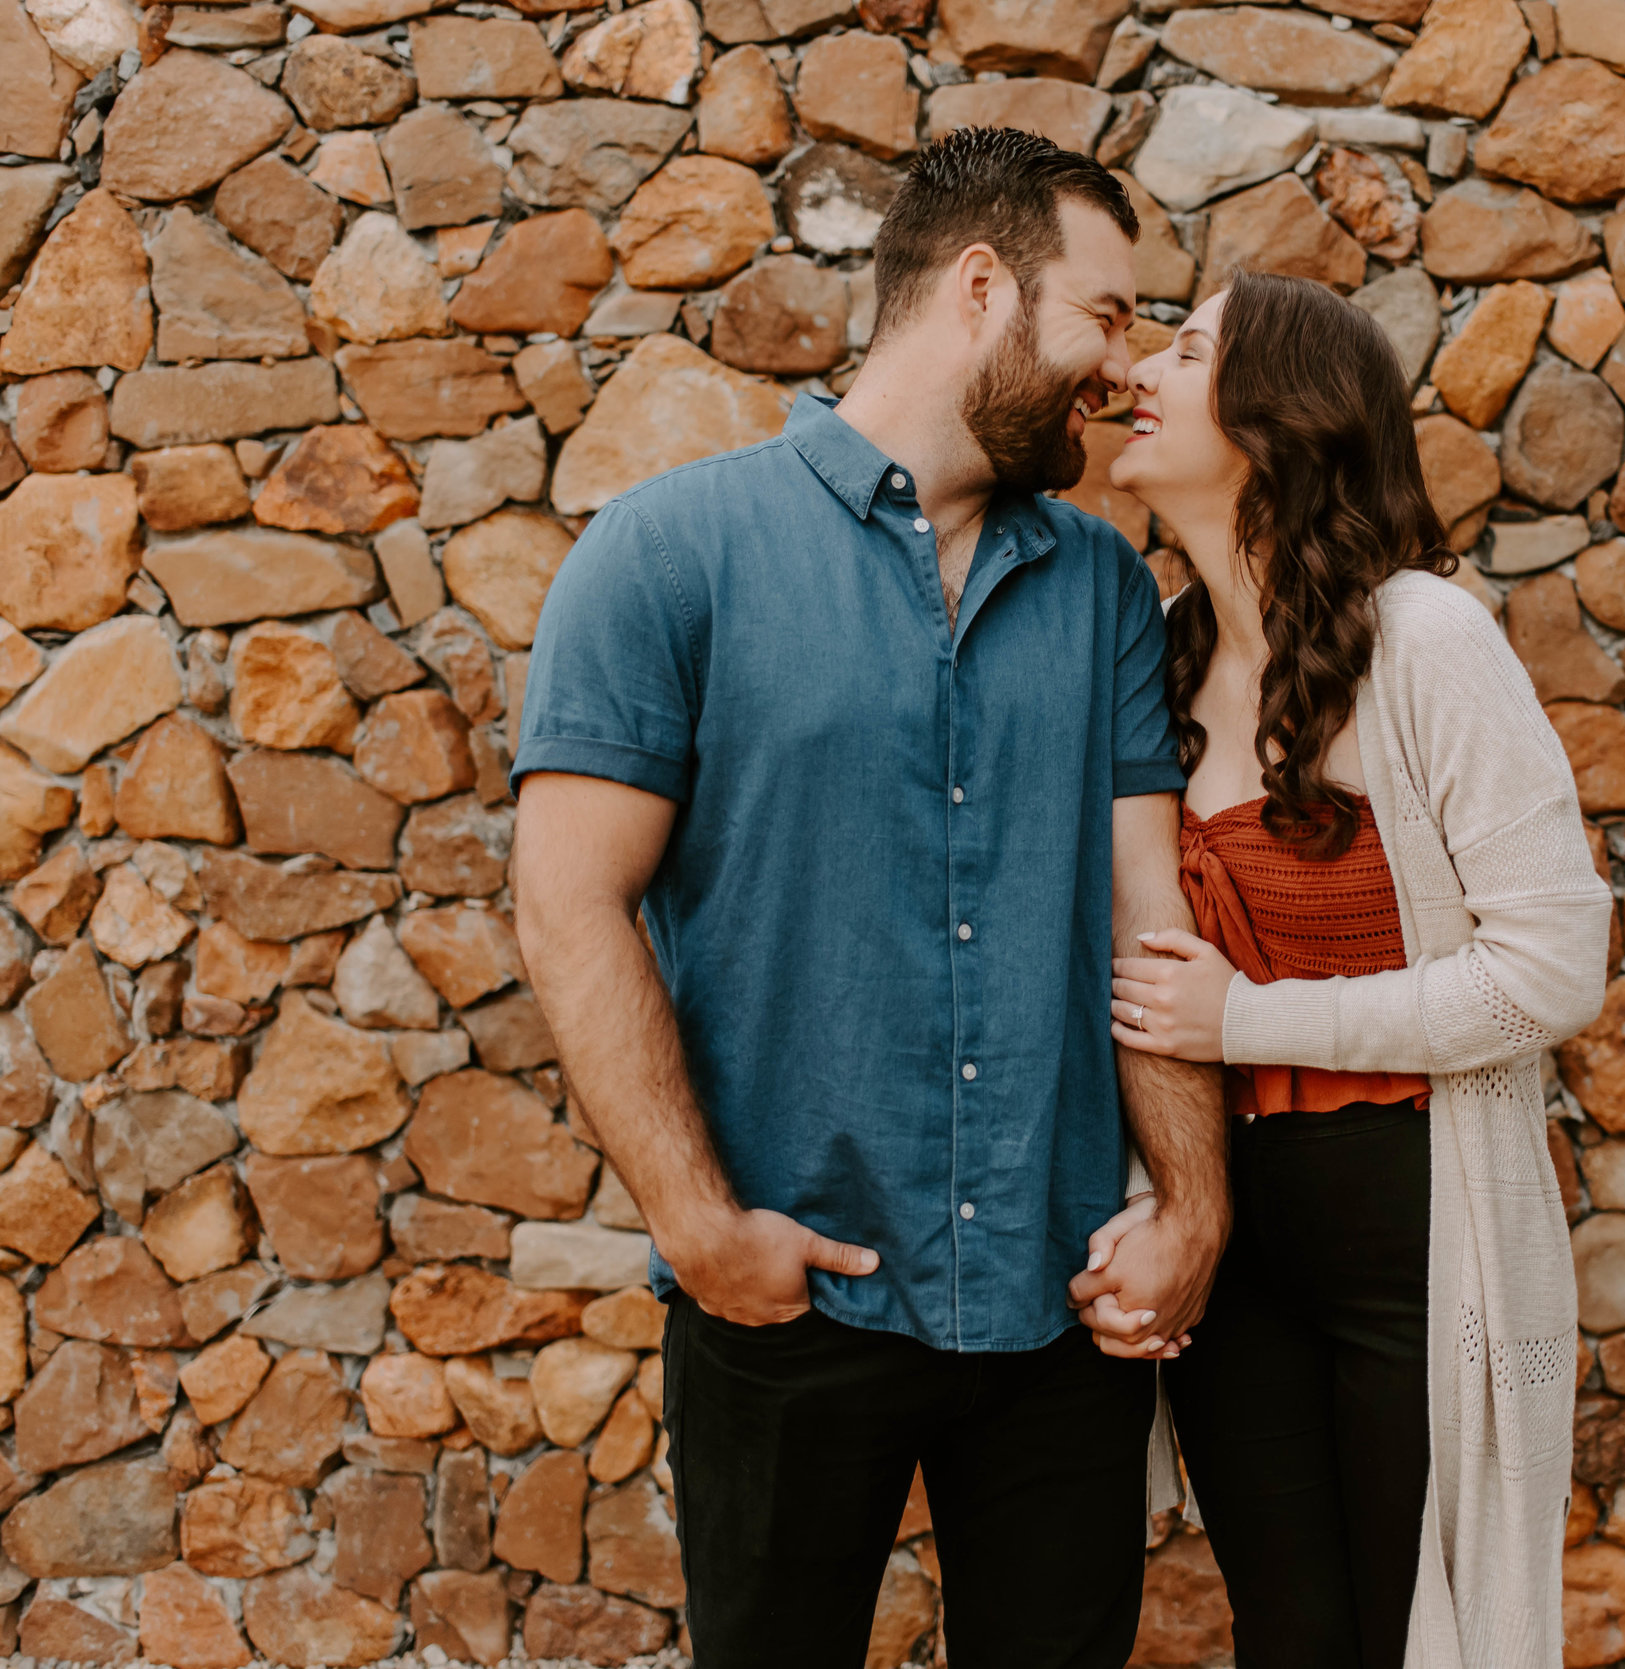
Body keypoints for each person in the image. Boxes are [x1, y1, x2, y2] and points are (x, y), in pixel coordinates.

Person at [506, 127, 1229, 1669]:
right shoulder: (669, 554)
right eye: (1104, 313)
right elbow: (569, 905)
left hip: (1058, 1301)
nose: (1119, 368)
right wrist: (698, 1228)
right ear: (982, 285)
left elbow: (1143, 912)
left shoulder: (1103, 587)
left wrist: (1192, 1201)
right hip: (788, 1297)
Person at [1080, 271, 1612, 1669]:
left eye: (1186, 350)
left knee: (1413, 1636)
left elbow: (1551, 968)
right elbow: (1134, 980)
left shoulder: (1425, 637)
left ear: (1279, 418)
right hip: (1240, 1244)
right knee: (1292, 1635)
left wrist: (1252, 1012)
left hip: (1418, 1238)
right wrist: (1155, 1203)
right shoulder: (1161, 657)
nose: (1139, 367)